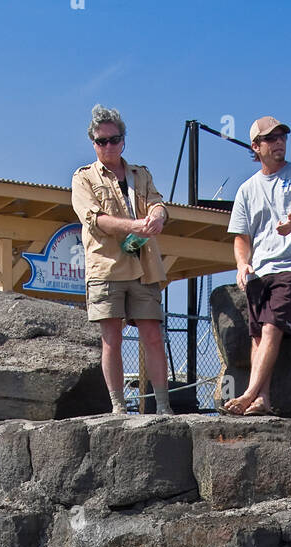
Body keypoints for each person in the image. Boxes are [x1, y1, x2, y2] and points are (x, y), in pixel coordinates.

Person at [71, 104, 173, 416]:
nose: (109, 146)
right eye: (102, 141)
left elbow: (159, 203)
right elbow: (94, 219)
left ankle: (164, 408)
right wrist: (134, 226)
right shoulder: (83, 178)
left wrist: (156, 216)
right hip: (106, 267)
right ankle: (118, 408)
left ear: (123, 140)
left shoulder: (141, 174)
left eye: (114, 139)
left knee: (153, 335)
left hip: (144, 267)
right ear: (93, 143)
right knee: (111, 337)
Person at [222, 117, 291, 415]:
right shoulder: (246, 190)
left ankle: (249, 393)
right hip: (259, 273)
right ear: (256, 146)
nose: (279, 142)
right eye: (271, 138)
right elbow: (241, 238)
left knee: (271, 326)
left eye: (282, 136)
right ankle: (263, 399)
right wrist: (242, 265)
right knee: (256, 335)